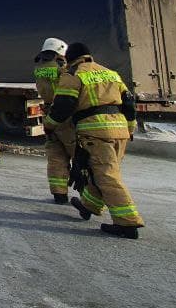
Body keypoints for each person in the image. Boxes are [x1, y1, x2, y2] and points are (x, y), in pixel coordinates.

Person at [42, 42, 143, 239]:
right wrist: (130, 128)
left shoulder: (73, 75)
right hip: (120, 130)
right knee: (101, 172)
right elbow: (129, 103)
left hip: (96, 131)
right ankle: (89, 205)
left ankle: (127, 223)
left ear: (70, 59)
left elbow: (64, 105)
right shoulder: (110, 73)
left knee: (106, 175)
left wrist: (50, 124)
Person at [34, 37, 73, 204]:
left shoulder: (39, 67)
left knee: (55, 155)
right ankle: (89, 195)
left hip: (49, 111)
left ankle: (59, 193)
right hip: (64, 112)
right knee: (77, 152)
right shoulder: (61, 68)